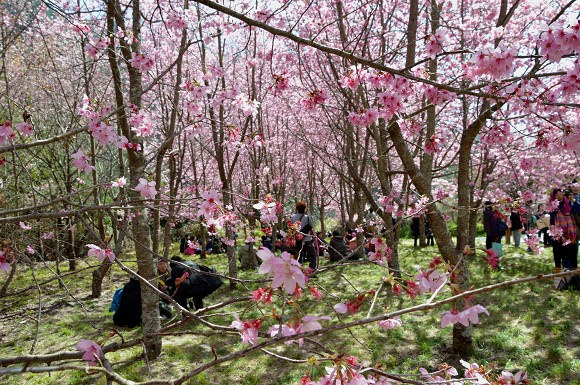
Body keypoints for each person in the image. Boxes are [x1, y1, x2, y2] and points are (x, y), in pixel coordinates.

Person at [549, 189, 577, 272]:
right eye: (556, 195)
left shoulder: (568, 203)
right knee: (557, 253)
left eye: (559, 193)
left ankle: (573, 272)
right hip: (557, 234)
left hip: (570, 233)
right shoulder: (552, 206)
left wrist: (574, 201)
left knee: (571, 252)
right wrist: (560, 235)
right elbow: (552, 220)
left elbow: (577, 209)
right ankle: (558, 272)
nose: (558, 196)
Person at [290, 201, 317, 270]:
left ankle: (299, 271)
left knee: (299, 257)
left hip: (297, 240)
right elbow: (312, 226)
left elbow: (291, 228)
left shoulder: (292, 217)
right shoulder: (307, 217)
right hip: (307, 239)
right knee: (313, 255)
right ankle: (312, 270)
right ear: (304, 208)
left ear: (297, 208)